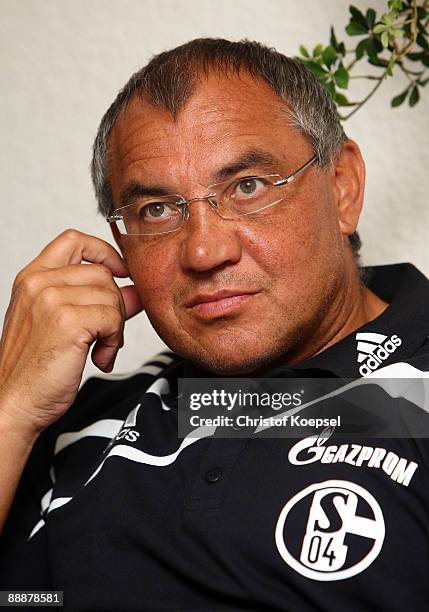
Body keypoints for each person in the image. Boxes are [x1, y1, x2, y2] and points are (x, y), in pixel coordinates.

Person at [0, 38, 428, 611]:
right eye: (157, 209)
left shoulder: (414, 396)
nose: (203, 252)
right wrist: (14, 409)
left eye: (247, 186)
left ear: (342, 186)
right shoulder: (75, 423)